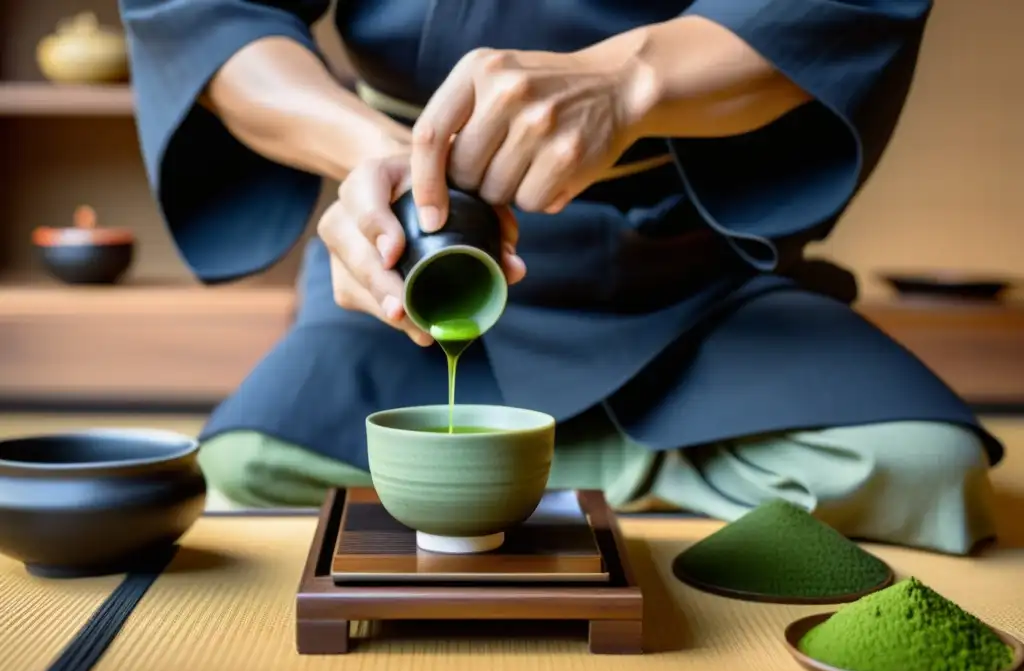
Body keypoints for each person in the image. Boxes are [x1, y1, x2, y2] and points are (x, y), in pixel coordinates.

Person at [120, 0, 1001, 554]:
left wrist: (631, 79)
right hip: (422, 255)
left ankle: (513, 476)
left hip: (686, 253)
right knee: (247, 458)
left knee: (924, 467)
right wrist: (384, 160)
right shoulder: (398, 195)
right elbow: (205, 13)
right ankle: (626, 471)